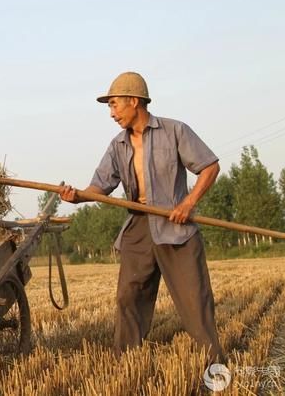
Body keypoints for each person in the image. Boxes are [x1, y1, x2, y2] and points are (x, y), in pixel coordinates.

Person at [60, 72, 224, 363]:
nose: (111, 113)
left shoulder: (175, 131)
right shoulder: (117, 145)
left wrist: (188, 203)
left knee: (194, 301)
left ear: (134, 101)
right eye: (109, 107)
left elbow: (209, 167)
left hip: (175, 226)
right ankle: (125, 362)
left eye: (114, 105)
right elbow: (100, 186)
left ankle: (215, 365)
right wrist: (78, 196)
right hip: (138, 225)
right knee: (128, 297)